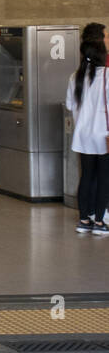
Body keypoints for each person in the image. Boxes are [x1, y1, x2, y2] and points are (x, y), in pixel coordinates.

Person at [65, 23, 109, 235]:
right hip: (104, 136)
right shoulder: (107, 75)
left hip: (82, 135)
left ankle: (84, 220)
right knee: (104, 179)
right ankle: (100, 223)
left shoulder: (76, 76)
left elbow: (70, 106)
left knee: (87, 176)